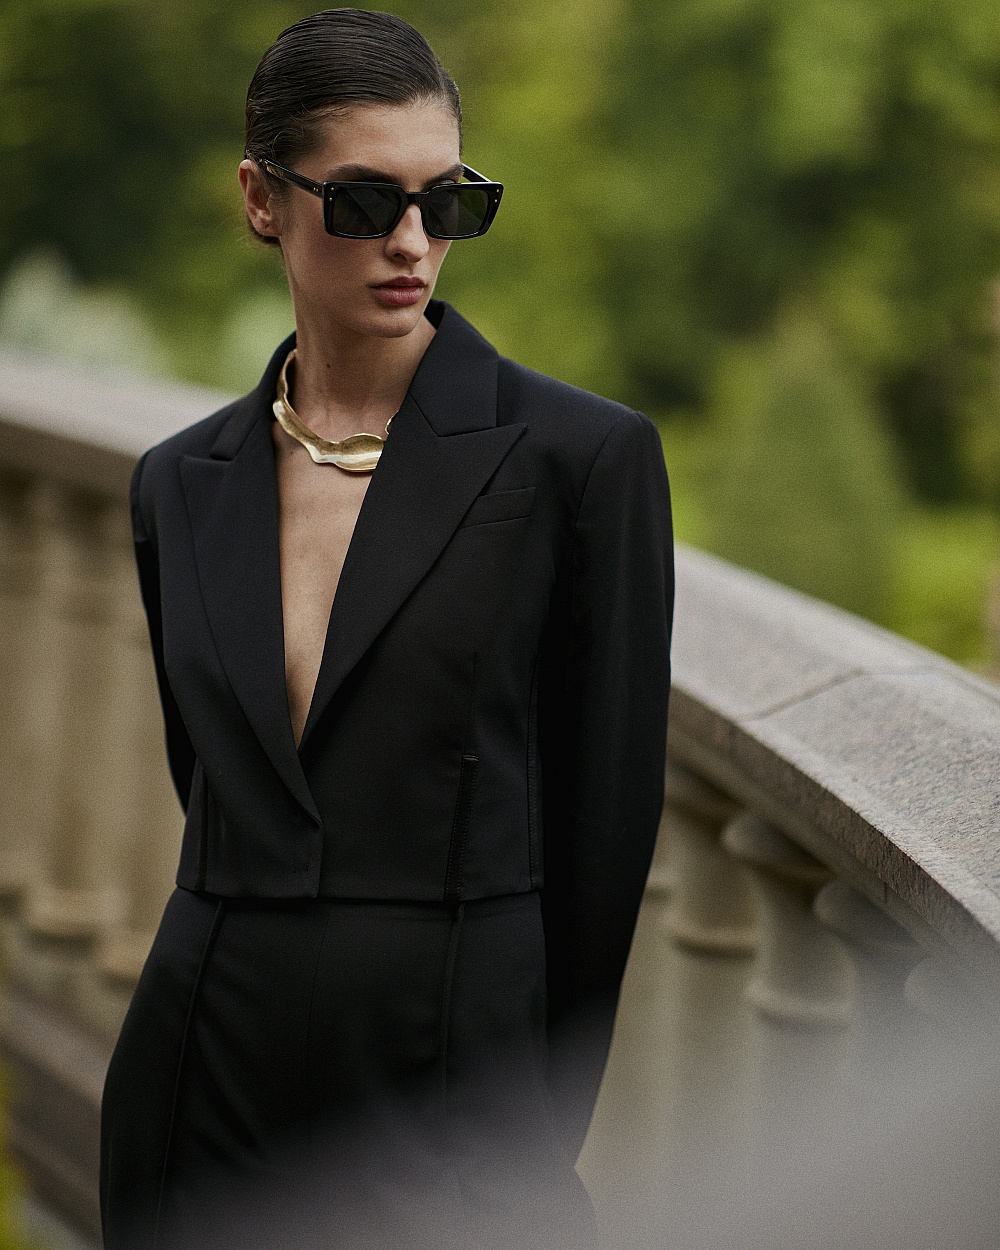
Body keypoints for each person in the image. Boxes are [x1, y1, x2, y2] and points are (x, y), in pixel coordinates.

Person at [99, 9, 673, 1250]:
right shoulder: (176, 484)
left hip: (455, 1095)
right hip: (203, 1078)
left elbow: (606, 827)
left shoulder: (583, 462)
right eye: (364, 203)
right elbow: (215, 786)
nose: (413, 243)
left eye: (448, 202)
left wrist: (527, 1119)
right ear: (262, 199)